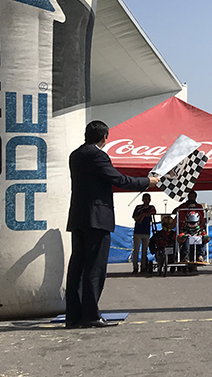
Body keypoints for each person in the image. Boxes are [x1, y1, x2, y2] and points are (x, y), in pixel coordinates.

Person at [66, 120, 159, 329]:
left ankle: (73, 316)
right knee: (95, 268)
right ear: (104, 137)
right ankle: (90, 315)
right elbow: (120, 180)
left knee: (77, 268)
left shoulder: (75, 155)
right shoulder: (98, 155)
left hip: (78, 217)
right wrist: (148, 181)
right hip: (97, 218)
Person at [131, 193, 156, 274]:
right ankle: (135, 267)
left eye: (148, 199)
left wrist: (145, 215)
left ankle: (144, 267)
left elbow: (154, 212)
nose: (146, 201)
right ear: (142, 200)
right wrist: (141, 216)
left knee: (144, 250)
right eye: (145, 199)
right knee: (136, 250)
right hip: (138, 231)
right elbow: (135, 217)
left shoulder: (151, 207)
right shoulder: (138, 208)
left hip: (146, 231)